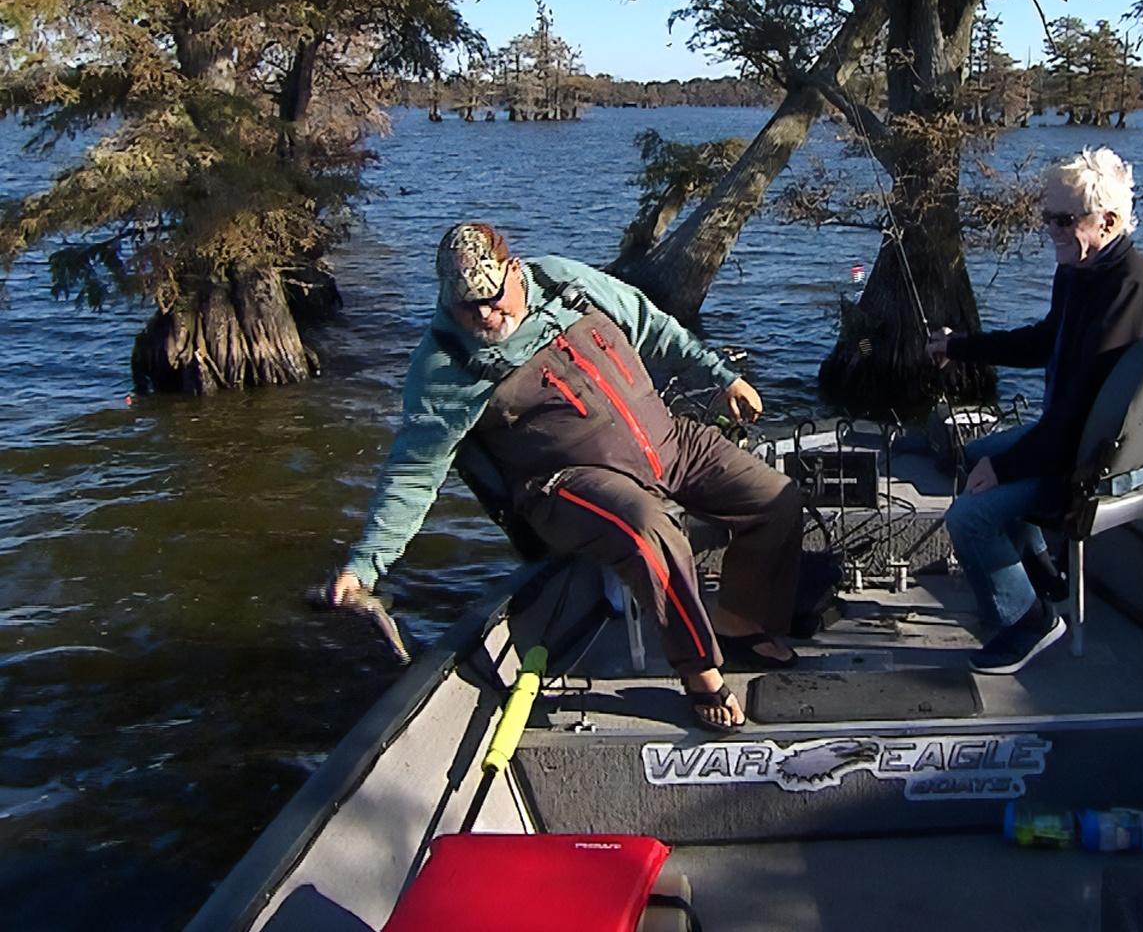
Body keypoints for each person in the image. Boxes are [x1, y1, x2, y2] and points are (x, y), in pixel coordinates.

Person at [323, 222, 801, 731]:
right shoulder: (443, 365)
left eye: (491, 297)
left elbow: (652, 325)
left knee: (776, 499)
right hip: (566, 483)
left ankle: (738, 621)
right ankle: (700, 672)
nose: (483, 314)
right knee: (649, 532)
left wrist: (722, 377)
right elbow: (413, 472)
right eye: (467, 305)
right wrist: (365, 565)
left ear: (514, 271)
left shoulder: (560, 280)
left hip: (666, 441)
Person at [928, 148, 1143, 674]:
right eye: (1047, 217)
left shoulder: (1132, 290)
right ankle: (1045, 577)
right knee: (972, 456)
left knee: (968, 517)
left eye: (1064, 220)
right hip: (1078, 439)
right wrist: (961, 346)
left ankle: (1028, 622)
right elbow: (1044, 341)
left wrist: (1008, 467)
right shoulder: (1078, 271)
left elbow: (1083, 410)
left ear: (1107, 222)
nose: (1051, 230)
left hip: (1106, 459)